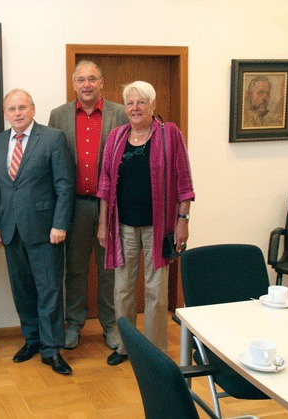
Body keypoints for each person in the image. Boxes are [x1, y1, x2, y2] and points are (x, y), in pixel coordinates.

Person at [96, 81, 195, 366]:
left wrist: (183, 220)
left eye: (141, 102)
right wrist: (104, 224)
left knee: (155, 291)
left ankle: (155, 352)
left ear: (152, 105)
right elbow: (105, 184)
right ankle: (126, 347)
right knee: (122, 288)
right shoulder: (116, 137)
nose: (135, 108)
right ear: (124, 108)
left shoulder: (169, 134)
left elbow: (183, 180)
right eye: (130, 103)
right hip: (123, 226)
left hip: (158, 227)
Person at [0, 89, 75, 375]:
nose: (17, 113)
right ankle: (32, 340)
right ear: (6, 113)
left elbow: (64, 185)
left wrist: (60, 224)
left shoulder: (52, 138)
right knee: (23, 291)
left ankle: (52, 350)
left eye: (22, 107)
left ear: (33, 109)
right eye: (11, 109)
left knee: (48, 290)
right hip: (10, 230)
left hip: (45, 230)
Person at [48, 60, 129, 350]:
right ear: (73, 85)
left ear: (101, 83)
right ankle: (75, 324)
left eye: (92, 79)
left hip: (111, 206)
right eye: (81, 80)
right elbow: (52, 161)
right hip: (75, 206)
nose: (86, 85)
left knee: (109, 270)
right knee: (76, 269)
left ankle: (111, 325)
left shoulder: (120, 113)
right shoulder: (58, 116)